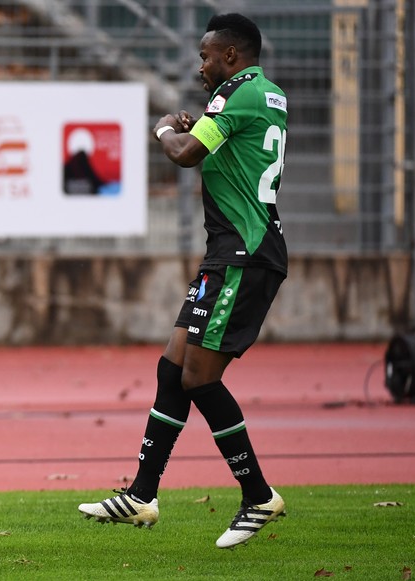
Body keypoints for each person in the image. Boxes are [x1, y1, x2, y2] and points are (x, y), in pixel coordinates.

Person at [78, 13, 288, 549]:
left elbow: (183, 155)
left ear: (233, 56)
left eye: (207, 56)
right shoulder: (267, 95)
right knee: (173, 366)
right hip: (232, 253)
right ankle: (142, 495)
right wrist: (201, 130)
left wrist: (166, 128)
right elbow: (229, 149)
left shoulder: (234, 93)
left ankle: (257, 495)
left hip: (242, 254)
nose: (201, 66)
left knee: (198, 377)